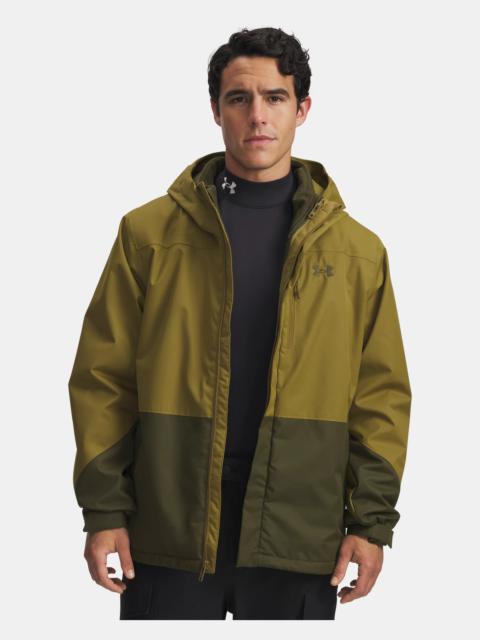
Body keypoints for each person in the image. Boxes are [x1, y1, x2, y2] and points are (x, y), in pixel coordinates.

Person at [68, 26, 412, 620]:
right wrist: (105, 512)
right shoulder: (148, 236)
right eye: (239, 98)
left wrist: (370, 524)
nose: (257, 115)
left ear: (302, 109)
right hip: (168, 527)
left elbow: (380, 396)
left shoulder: (359, 253)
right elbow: (103, 378)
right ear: (215, 110)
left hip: (299, 532)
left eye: (275, 97)